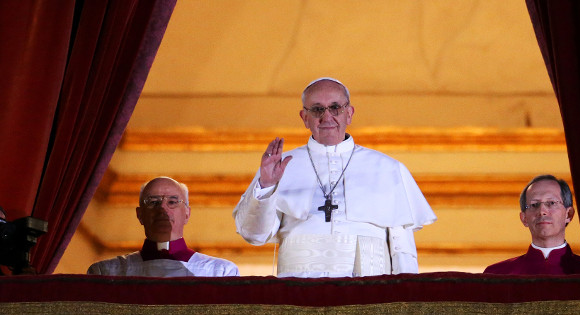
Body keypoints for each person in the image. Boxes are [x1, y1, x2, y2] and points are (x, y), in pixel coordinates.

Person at [233, 77, 436, 278]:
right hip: (299, 290)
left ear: (349, 114)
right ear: (304, 117)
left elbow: (402, 248)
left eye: (335, 107)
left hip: (369, 291)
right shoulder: (278, 166)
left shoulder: (388, 168)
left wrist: (405, 299)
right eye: (317, 109)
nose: (327, 117)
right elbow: (255, 236)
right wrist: (267, 185)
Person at [88, 176, 239, 277]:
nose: (162, 209)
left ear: (187, 214)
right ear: (140, 215)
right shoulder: (106, 273)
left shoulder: (220, 273)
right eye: (153, 202)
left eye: (172, 202)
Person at [483, 174, 580, 275]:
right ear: (524, 218)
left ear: (569, 214)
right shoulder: (498, 275)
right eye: (534, 205)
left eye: (551, 203)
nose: (542, 211)